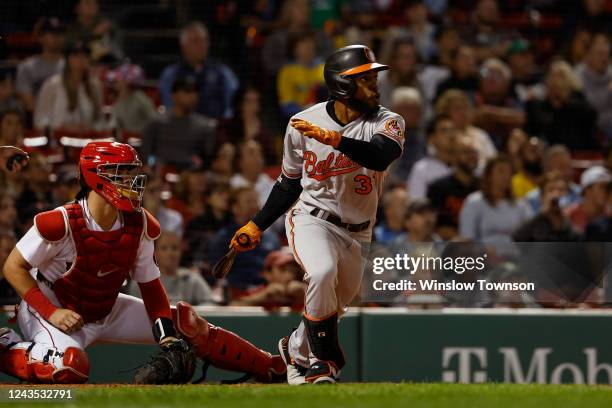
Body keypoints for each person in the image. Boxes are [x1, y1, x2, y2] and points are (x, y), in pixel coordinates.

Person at [0, 141, 285, 384]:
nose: (130, 182)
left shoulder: (140, 224)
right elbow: (13, 267)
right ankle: (6, 345)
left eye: (131, 173)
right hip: (54, 307)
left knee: (184, 323)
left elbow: (150, 286)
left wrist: (166, 336)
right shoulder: (58, 222)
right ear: (95, 177)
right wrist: (52, 312)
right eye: (120, 174)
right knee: (71, 366)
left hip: (106, 308)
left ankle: (268, 365)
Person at [228, 45, 405, 384]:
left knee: (333, 307)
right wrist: (257, 224)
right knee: (321, 273)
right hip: (313, 217)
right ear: (342, 85)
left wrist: (337, 141)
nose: (375, 86)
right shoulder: (303, 123)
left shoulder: (388, 121)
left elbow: (381, 155)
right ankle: (325, 362)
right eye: (364, 80)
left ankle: (294, 348)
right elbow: (287, 183)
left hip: (359, 231)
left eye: (373, 78)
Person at [159, 22, 239, 119]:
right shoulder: (172, 74)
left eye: (205, 40)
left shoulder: (222, 72)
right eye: (195, 41)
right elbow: (169, 106)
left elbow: (233, 102)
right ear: (183, 46)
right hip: (183, 129)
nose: (202, 45)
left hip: (216, 128)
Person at [459, 155, 532, 256]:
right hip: (483, 258)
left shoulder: (520, 205)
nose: (506, 176)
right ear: (489, 175)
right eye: (501, 171)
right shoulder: (474, 202)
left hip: (515, 257)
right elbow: (467, 237)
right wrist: (482, 251)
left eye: (509, 172)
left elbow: (530, 234)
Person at [140, 75, 217, 171]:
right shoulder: (156, 122)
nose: (193, 96)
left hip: (191, 175)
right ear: (174, 95)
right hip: (160, 173)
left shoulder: (206, 126)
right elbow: (146, 153)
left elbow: (208, 159)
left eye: (196, 92)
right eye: (187, 91)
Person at [525, 61, 598, 150]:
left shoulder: (581, 104)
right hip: (549, 153)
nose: (556, 81)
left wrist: (565, 101)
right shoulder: (538, 106)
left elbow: (590, 119)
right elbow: (535, 131)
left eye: (561, 77)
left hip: (579, 150)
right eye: (552, 76)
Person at [127, 231, 216, 306]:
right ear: (155, 253)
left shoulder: (191, 279)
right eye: (164, 248)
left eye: (175, 248)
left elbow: (211, 305)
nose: (170, 254)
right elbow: (135, 312)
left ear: (181, 252)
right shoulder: (142, 281)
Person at [34, 40, 103, 131]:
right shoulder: (52, 85)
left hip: (87, 139)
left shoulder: (94, 86)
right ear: (68, 59)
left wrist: (90, 128)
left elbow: (100, 121)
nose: (81, 58)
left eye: (85, 55)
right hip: (59, 140)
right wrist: (61, 126)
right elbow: (40, 120)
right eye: (76, 55)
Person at [427, 136, 480, 240]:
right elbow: (437, 227)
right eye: (466, 152)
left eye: (474, 152)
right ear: (454, 157)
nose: (472, 156)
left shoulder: (484, 187)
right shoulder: (439, 188)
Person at [15, 17, 65, 113]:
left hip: (67, 120)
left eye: (60, 33)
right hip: (37, 121)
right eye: (52, 33)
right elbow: (28, 103)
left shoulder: (71, 66)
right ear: (41, 38)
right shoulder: (26, 67)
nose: (57, 37)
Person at [231, 247, 306, 310]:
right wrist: (264, 296)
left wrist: (305, 295)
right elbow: (231, 309)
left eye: (292, 270)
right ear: (267, 274)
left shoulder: (302, 292)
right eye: (283, 269)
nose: (289, 275)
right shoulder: (259, 292)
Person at [277, 31, 325, 119]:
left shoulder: (323, 67)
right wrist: (305, 112)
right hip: (300, 120)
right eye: (304, 43)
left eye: (311, 42)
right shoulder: (287, 71)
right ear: (294, 49)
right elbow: (286, 104)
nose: (309, 46)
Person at [407, 115, 456, 199]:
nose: (451, 135)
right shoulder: (421, 169)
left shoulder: (465, 166)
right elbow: (416, 204)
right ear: (431, 139)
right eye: (445, 131)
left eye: (453, 130)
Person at [574, 34, 612, 140]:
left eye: (607, 55)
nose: (604, 59)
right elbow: (589, 106)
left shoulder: (610, 73)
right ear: (588, 56)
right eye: (600, 54)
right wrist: (608, 91)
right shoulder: (578, 75)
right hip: (585, 126)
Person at [105, 63, 157, 134]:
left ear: (127, 81)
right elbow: (114, 121)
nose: (115, 82)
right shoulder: (118, 99)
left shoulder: (140, 97)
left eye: (118, 79)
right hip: (126, 140)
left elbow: (153, 119)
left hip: (141, 139)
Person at [564, 165, 611, 234]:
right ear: (587, 190)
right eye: (603, 187)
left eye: (609, 188)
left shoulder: (610, 215)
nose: (607, 192)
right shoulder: (569, 215)